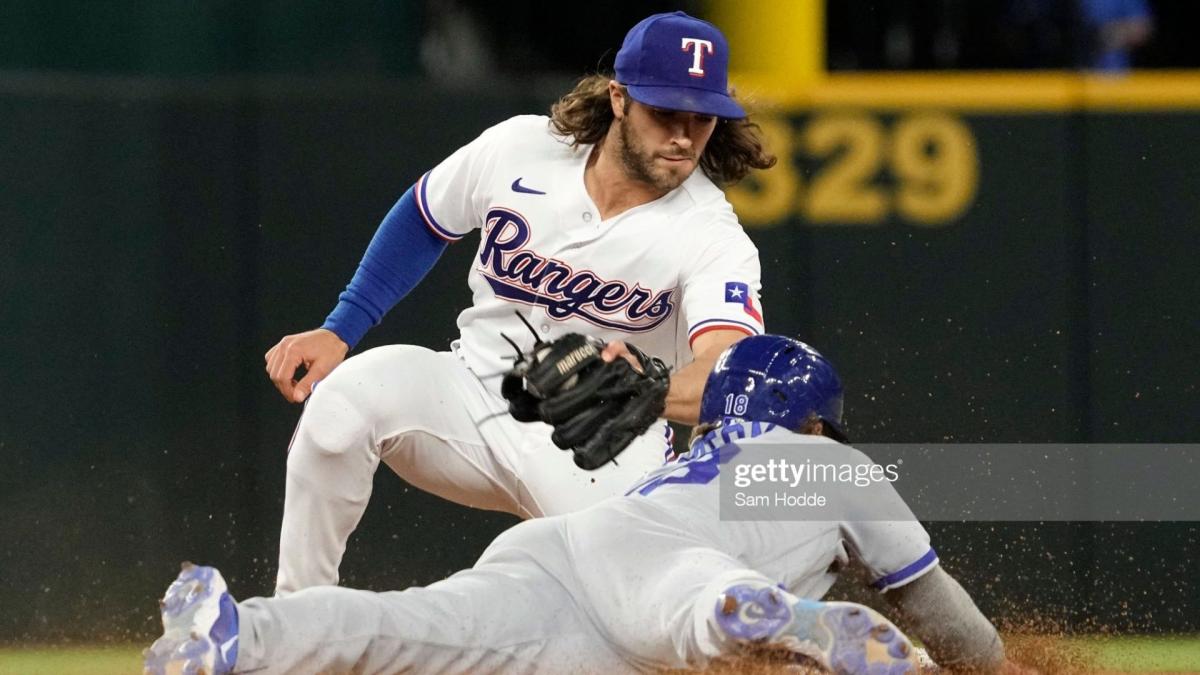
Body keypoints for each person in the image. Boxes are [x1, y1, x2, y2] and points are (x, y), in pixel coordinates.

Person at [261, 10, 775, 595]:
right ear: (619, 99)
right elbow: (426, 217)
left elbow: (728, 368)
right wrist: (341, 327)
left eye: (701, 118)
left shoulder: (711, 233)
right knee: (342, 405)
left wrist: (648, 392)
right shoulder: (521, 148)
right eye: (665, 113)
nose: (683, 135)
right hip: (470, 393)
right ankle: (296, 621)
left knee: (630, 613)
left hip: (600, 444)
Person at [146, 335, 1020, 675]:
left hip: (567, 551)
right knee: (699, 607)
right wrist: (993, 670)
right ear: (818, 419)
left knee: (403, 625)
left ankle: (239, 632)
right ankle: (755, 615)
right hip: (673, 577)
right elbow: (937, 608)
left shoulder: (694, 455)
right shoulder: (830, 465)